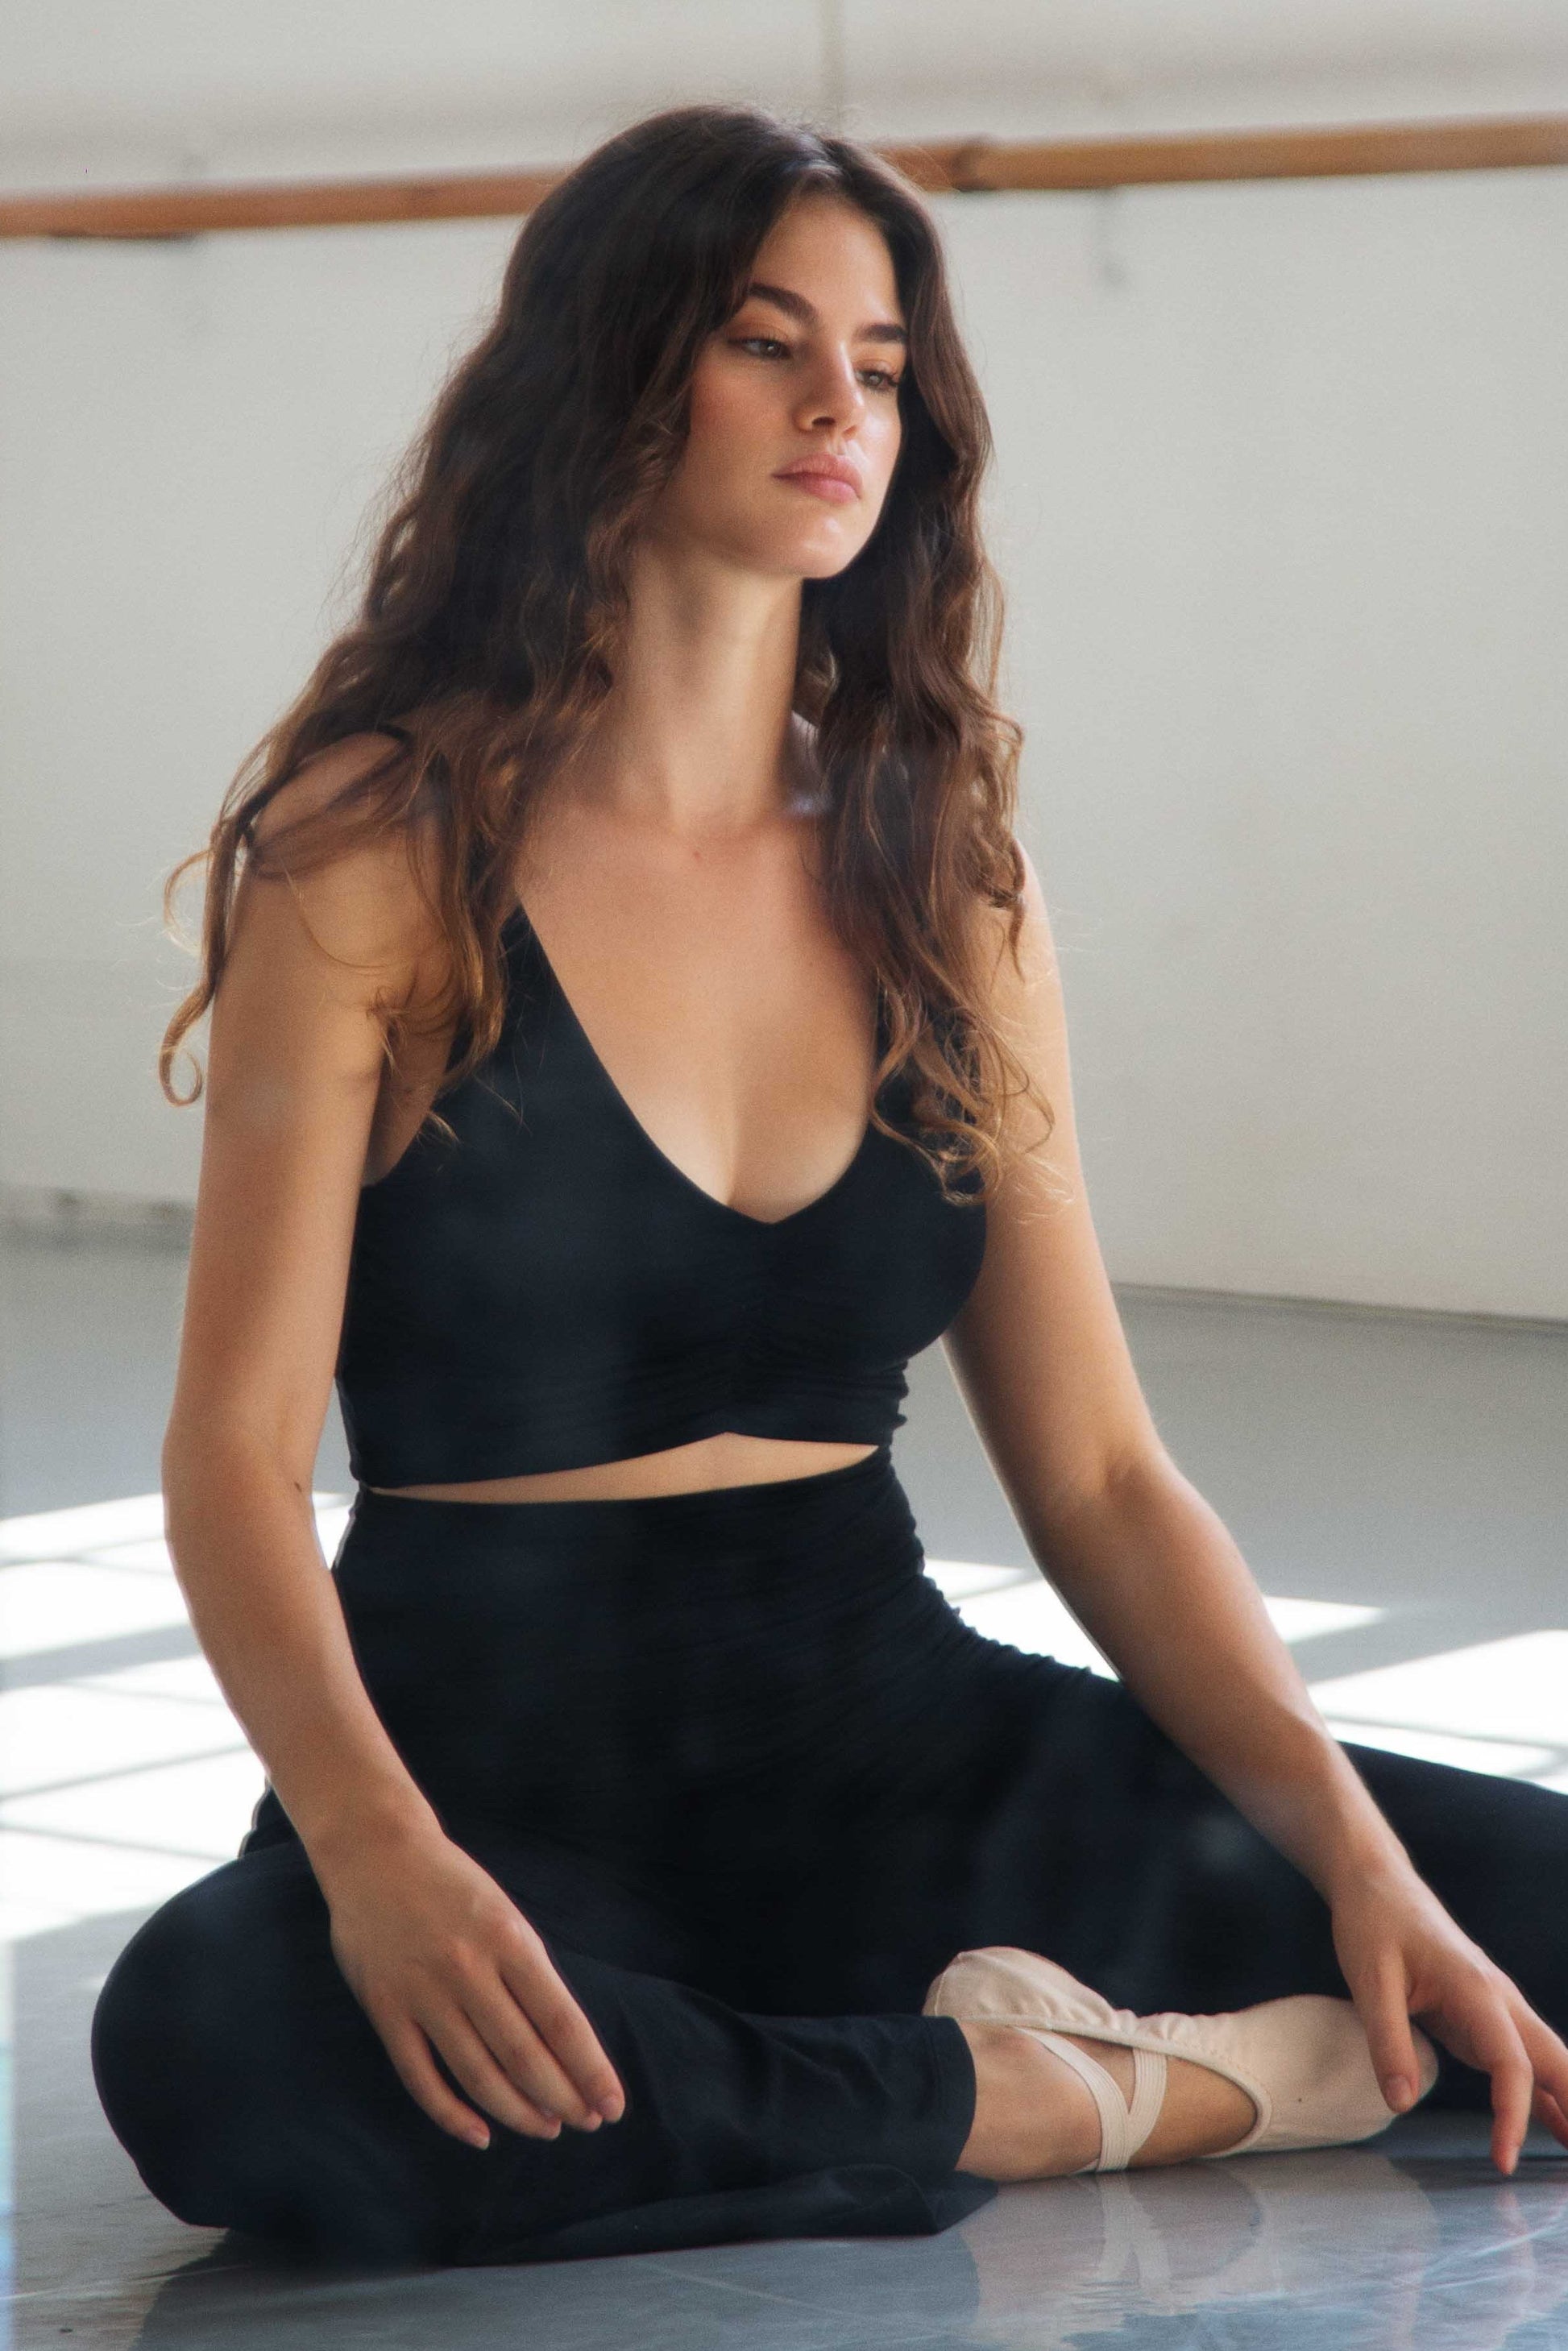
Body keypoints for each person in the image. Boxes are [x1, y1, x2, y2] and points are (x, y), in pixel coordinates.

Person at [91, 103, 1568, 2269]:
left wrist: (1348, 1851)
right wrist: (371, 1849)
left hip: (900, 1747)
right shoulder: (376, 849)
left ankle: (919, 2076)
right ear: (610, 377)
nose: (835, 408)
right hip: (502, 1783)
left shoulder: (937, 866)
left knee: (1504, 1903)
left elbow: (1097, 1478)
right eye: (766, 344)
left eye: (877, 366)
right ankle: (1123, 2090)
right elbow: (231, 1460)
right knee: (224, 2049)